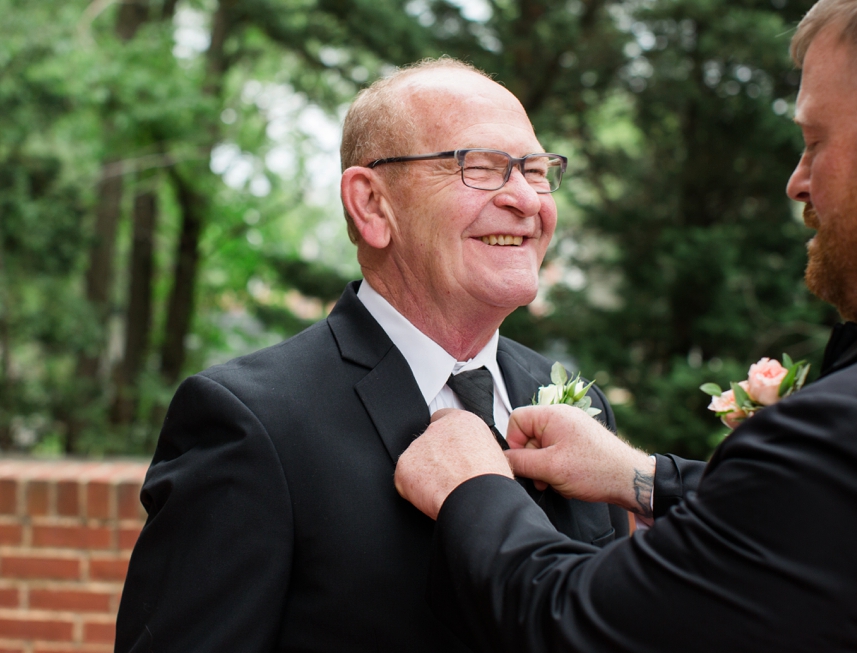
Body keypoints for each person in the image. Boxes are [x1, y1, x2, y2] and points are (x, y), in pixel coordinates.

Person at [393, 1, 857, 651]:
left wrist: (474, 489)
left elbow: (576, 625)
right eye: (479, 167)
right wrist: (645, 479)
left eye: (815, 141)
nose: (797, 181)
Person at [115, 59, 628, 652]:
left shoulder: (579, 408)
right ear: (372, 206)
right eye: (481, 168)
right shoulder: (251, 424)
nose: (524, 199)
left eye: (537, 172)